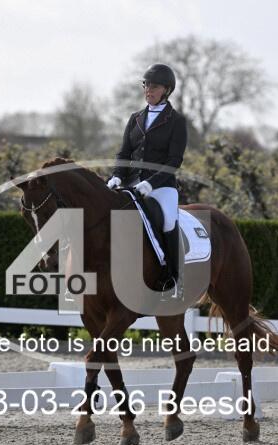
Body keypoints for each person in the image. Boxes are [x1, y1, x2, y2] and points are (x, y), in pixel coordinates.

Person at [107, 63, 188, 298]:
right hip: (131, 184)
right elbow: (124, 153)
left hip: (162, 187)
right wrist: (117, 176)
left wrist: (152, 183)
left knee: (168, 221)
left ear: (167, 90)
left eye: (154, 86)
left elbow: (174, 160)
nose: (148, 90)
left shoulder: (176, 121)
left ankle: (173, 278)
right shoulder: (135, 118)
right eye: (146, 85)